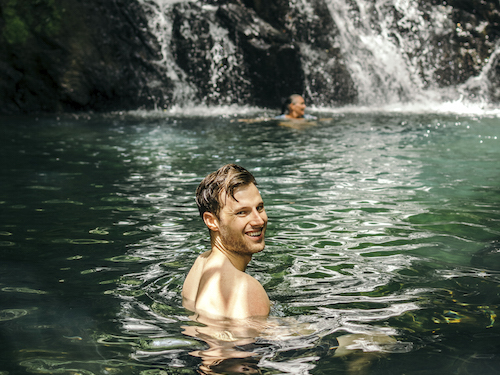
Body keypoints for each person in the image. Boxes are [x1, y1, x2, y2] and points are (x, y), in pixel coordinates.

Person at [182, 164, 270, 320]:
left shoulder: (201, 264)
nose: (258, 220)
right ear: (212, 221)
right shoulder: (244, 288)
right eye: (242, 212)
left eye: (260, 207)